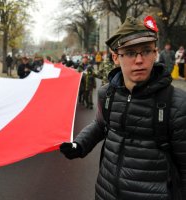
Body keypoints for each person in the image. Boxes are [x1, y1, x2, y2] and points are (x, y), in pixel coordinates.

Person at [60, 16, 186, 200]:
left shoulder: (177, 104)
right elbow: (100, 125)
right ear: (115, 58)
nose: (139, 60)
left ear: (155, 53)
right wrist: (79, 144)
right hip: (106, 192)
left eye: (146, 51)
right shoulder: (107, 94)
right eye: (129, 53)